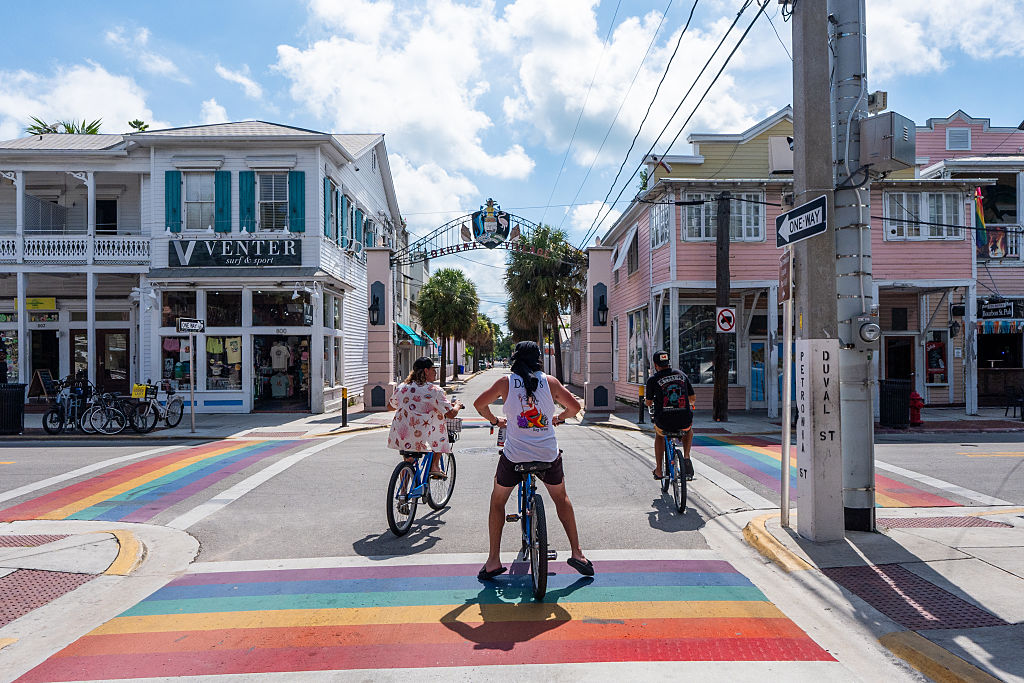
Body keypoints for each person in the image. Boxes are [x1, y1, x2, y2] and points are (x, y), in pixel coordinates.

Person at [473, 341, 593, 579]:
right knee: (561, 498)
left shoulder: (505, 383)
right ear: (539, 359)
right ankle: (578, 553)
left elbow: (479, 404)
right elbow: (575, 407)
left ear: (515, 359)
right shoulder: (551, 383)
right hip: (547, 455)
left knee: (498, 502)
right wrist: (557, 418)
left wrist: (496, 421)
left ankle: (493, 561)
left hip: (515, 456)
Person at [388, 356, 463, 477]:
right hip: (422, 435)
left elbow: (390, 406)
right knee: (442, 434)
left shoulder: (402, 387)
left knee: (409, 461)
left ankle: (403, 492)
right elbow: (450, 414)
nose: (435, 372)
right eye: (433, 369)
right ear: (426, 371)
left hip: (402, 435)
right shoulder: (434, 390)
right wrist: (457, 406)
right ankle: (434, 465)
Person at [645, 350, 696, 481]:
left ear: (656, 365)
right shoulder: (682, 375)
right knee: (688, 430)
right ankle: (686, 457)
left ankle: (659, 470)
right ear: (668, 363)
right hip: (684, 420)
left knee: (660, 436)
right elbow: (692, 398)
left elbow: (649, 402)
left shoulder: (653, 379)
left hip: (664, 421)